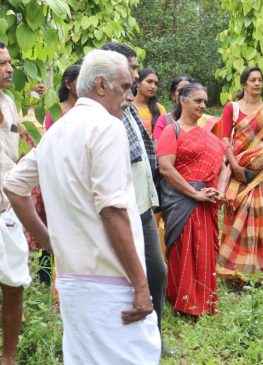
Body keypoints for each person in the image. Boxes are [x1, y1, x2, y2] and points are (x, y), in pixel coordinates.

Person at [4, 49, 161, 364]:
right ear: (101, 85)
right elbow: (112, 210)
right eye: (125, 87)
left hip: (74, 282)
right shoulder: (106, 127)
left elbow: (13, 185)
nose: (130, 96)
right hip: (113, 283)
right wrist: (142, 285)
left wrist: (51, 242)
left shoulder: (57, 131)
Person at [101, 42, 167, 339]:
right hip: (121, 208)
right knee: (124, 278)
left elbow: (143, 154)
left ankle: (154, 335)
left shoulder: (127, 108)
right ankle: (125, 339)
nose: (138, 75)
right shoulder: (105, 112)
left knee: (156, 271)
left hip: (143, 203)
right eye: (132, 66)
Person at [157, 83, 227, 317]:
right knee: (183, 250)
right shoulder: (171, 131)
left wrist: (221, 191)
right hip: (181, 202)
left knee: (205, 251)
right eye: (197, 101)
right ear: (182, 101)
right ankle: (183, 303)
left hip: (206, 202)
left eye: (204, 101)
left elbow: (224, 167)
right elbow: (166, 168)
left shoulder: (208, 135)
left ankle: (204, 302)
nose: (203, 106)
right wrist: (194, 193)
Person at [216, 66, 263, 285]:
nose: (257, 83)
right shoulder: (232, 109)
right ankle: (234, 271)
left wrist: (258, 159)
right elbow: (224, 140)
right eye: (252, 80)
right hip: (238, 174)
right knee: (237, 218)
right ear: (244, 84)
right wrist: (236, 165)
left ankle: (261, 271)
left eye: (260, 79)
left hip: (261, 175)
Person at [0, 41, 33, 365]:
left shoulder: (9, 103)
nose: (10, 69)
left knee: (14, 283)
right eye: (1, 64)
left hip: (5, 208)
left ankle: (7, 358)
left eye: (9, 62)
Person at [44, 64, 81, 130]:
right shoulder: (55, 113)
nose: (85, 86)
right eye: (80, 82)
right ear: (67, 84)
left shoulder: (88, 110)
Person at [133, 67, 166, 136]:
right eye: (149, 82)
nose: (153, 86)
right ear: (138, 83)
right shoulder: (128, 107)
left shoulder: (160, 109)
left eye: (156, 84)